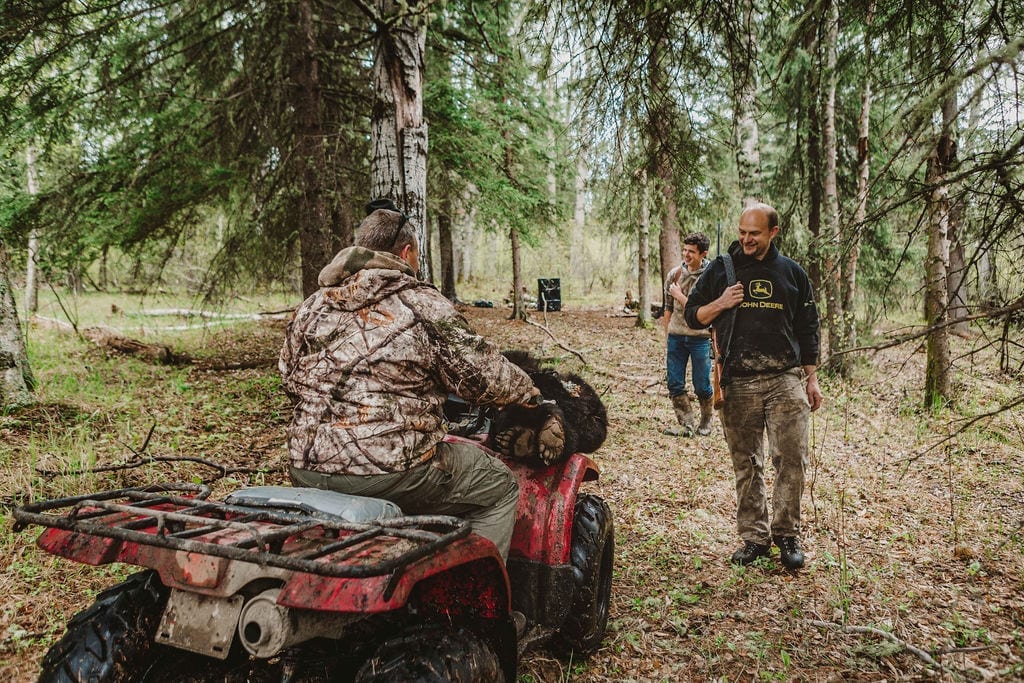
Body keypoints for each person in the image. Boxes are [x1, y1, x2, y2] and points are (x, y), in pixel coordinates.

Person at [279, 201, 557, 562]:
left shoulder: (313, 304)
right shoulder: (420, 303)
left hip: (305, 465)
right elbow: (482, 375)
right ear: (406, 253)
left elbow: (288, 375)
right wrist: (529, 394)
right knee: (500, 486)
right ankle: (477, 608)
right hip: (390, 470)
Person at [683, 202, 823, 570]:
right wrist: (721, 302)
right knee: (747, 463)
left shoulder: (792, 273)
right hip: (737, 380)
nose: (745, 239)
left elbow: (808, 328)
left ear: (773, 233)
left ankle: (787, 535)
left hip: (785, 378)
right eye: (742, 232)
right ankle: (754, 539)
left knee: (791, 459)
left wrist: (811, 378)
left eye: (754, 234)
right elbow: (692, 315)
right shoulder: (720, 270)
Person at [662, 232, 714, 437]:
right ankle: (686, 424)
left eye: (691, 251)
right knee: (674, 382)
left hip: (700, 337)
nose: (686, 254)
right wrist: (667, 334)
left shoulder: (710, 277)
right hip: (676, 336)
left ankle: (706, 421)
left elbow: (701, 310)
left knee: (702, 384)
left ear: (703, 254)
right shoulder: (674, 274)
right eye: (685, 250)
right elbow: (668, 307)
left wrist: (680, 296)